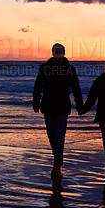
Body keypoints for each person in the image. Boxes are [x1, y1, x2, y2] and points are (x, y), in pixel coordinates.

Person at [33, 43, 83, 176]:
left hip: (62, 107)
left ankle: (57, 161)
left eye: (61, 52)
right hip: (48, 106)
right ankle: (58, 158)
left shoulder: (70, 69)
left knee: (60, 136)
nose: (59, 54)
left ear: (64, 53)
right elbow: (38, 86)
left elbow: (76, 88)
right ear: (53, 53)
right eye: (57, 52)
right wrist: (35, 102)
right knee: (51, 135)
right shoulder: (45, 68)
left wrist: (79, 105)